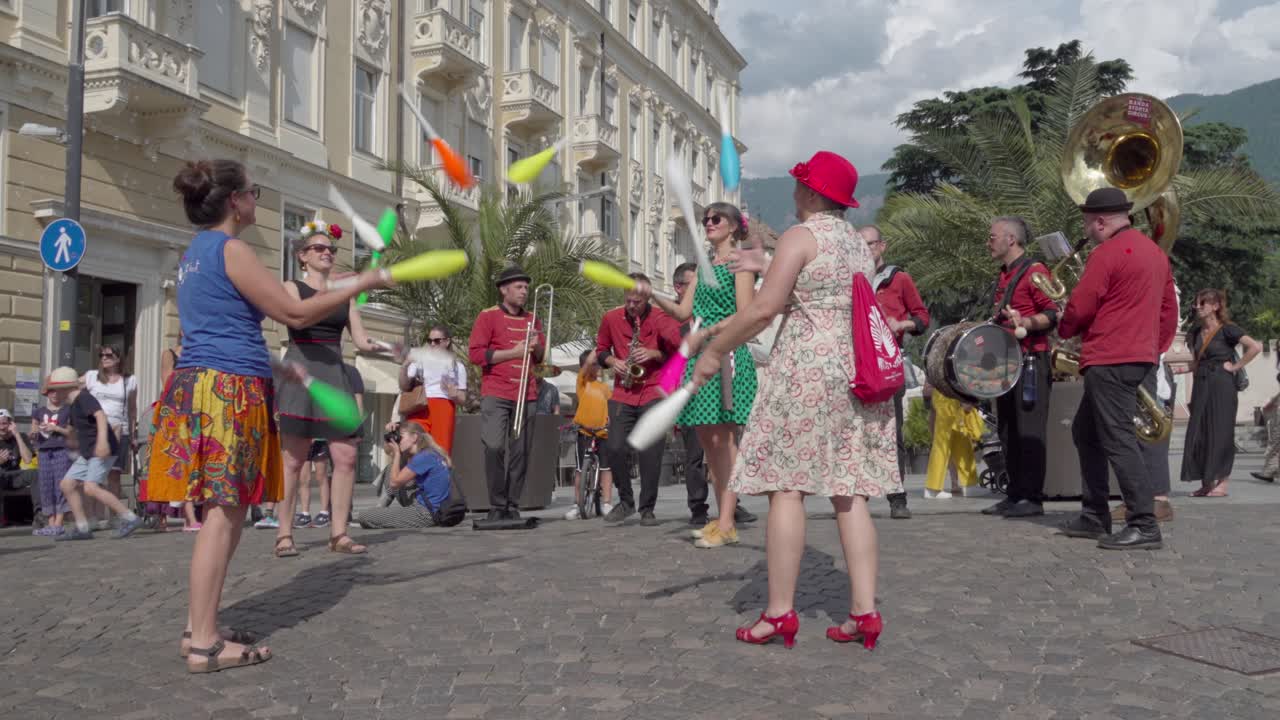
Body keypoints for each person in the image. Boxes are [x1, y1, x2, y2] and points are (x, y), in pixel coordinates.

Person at [151, 158, 388, 672]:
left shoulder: (196, 252)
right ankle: (205, 644)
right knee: (224, 512)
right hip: (227, 388)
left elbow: (224, 321)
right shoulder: (231, 249)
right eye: (253, 192)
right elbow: (295, 312)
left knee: (225, 510)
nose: (255, 200)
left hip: (203, 383)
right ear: (235, 201)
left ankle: (200, 625)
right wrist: (362, 281)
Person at [690, 150, 897, 648]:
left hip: (807, 369)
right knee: (850, 492)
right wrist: (765, 262)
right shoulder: (855, 243)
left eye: (800, 183)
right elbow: (818, 290)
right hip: (854, 370)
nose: (794, 190)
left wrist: (715, 350)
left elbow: (764, 308)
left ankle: (780, 612)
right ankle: (864, 611)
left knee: (786, 488)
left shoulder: (800, 236)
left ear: (810, 192)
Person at [1057, 187, 1178, 551]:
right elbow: (1168, 309)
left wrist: (1064, 327)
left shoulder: (1106, 253)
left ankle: (1144, 523)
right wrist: (1153, 348)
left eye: (1086, 223)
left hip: (1110, 357)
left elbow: (1081, 305)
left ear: (1100, 221)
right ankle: (1095, 515)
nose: (1086, 230)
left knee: (1118, 439)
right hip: (1138, 355)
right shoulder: (1155, 253)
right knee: (1086, 432)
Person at [273, 220, 393, 558]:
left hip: (334, 372)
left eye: (331, 249)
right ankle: (284, 533)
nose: (327, 253)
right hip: (302, 370)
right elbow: (298, 318)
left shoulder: (346, 294)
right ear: (302, 256)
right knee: (294, 460)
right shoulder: (291, 287)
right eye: (319, 248)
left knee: (346, 455)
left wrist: (391, 348)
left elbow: (360, 340)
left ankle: (338, 533)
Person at [648, 202, 759, 547]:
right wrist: (651, 293)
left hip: (726, 354)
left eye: (716, 218)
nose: (708, 223)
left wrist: (708, 332)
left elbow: (746, 313)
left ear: (733, 226)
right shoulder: (703, 267)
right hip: (701, 356)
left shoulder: (740, 263)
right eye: (706, 219)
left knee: (724, 441)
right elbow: (683, 311)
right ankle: (724, 519)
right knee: (708, 442)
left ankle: (726, 521)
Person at [981, 217, 1058, 517]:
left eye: (992, 237)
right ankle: (1015, 494)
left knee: (1029, 431)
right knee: (1008, 430)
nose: (988, 242)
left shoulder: (1035, 271)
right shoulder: (1004, 274)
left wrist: (1026, 321)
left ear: (1011, 239)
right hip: (1007, 362)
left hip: (1030, 361)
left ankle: (1032, 498)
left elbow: (1052, 313)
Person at [593, 285, 681, 526]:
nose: (631, 306)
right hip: (623, 392)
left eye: (637, 302)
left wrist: (654, 354)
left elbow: (676, 353)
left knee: (650, 452)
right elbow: (601, 350)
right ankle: (626, 501)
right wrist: (613, 361)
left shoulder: (661, 317)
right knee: (614, 447)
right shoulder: (611, 318)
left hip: (653, 390)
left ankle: (647, 509)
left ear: (647, 299)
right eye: (628, 301)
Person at [468, 265, 545, 521]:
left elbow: (540, 357)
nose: (524, 292)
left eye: (526, 288)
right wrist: (513, 352)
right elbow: (476, 354)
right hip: (496, 391)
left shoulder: (533, 319)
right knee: (493, 447)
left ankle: (512, 505)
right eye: (518, 287)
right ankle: (497, 504)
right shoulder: (487, 316)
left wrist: (536, 347)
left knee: (521, 452)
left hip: (526, 392)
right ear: (504, 290)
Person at [862, 225, 928, 520]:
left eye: (870, 244)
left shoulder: (899, 279)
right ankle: (857, 496)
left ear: (882, 246)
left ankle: (897, 497)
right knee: (858, 430)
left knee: (892, 429)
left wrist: (902, 325)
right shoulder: (853, 279)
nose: (866, 250)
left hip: (889, 363)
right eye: (861, 245)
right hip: (859, 363)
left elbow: (922, 317)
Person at [1181, 289, 1261, 497]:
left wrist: (1235, 367)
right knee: (1199, 431)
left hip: (1222, 384)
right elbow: (1196, 362)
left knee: (1221, 430)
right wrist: (1180, 369)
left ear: (1215, 306)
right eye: (1196, 303)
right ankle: (1207, 483)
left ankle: (1222, 482)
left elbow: (1255, 347)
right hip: (1201, 383)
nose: (1197, 307)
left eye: (1203, 303)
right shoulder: (1195, 332)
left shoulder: (1228, 330)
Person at [49, 367, 143, 541]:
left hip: (101, 450)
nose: (52, 394)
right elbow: (73, 430)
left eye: (54, 389)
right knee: (67, 485)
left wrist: (102, 442)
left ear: (65, 388)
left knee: (90, 487)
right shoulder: (73, 405)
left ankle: (130, 518)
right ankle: (82, 528)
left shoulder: (84, 398)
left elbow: (100, 416)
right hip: (88, 453)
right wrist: (66, 437)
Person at [671, 262, 710, 526]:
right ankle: (698, 507)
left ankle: (732, 505)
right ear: (679, 287)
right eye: (694, 283)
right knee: (694, 456)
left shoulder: (705, 310)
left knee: (722, 451)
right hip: (688, 393)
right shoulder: (671, 318)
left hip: (713, 387)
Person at [82, 344, 138, 528]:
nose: (104, 358)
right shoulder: (92, 376)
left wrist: (133, 434)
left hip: (119, 430)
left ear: (118, 358)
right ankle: (91, 517)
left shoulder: (130, 380)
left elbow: (132, 409)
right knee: (91, 475)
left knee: (114, 475)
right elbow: (71, 388)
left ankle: (114, 517)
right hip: (94, 432)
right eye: (101, 355)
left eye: (108, 355)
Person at [358, 423, 453, 529]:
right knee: (391, 468)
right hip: (434, 508)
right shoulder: (429, 453)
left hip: (425, 513)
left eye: (401, 437)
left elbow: (394, 483)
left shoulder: (423, 457)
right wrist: (390, 434)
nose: (398, 441)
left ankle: (380, 514)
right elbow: (388, 451)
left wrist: (397, 454)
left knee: (364, 516)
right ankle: (380, 511)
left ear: (414, 437)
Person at [400, 325, 467, 454]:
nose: (432, 344)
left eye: (436, 341)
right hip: (420, 405)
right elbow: (404, 386)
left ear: (447, 342)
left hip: (443, 406)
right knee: (413, 447)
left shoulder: (458, 367)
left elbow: (463, 398)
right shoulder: (420, 361)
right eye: (429, 340)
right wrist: (405, 365)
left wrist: (455, 394)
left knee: (440, 450)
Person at [565, 349, 614, 519]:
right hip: (584, 431)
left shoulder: (604, 387)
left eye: (599, 364)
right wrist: (598, 349)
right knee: (580, 470)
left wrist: (610, 418)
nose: (598, 367)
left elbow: (610, 406)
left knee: (606, 467)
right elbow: (586, 365)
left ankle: (607, 503)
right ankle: (577, 504)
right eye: (595, 364)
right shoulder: (582, 382)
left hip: (602, 432)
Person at [30, 372, 75, 537]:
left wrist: (55, 428)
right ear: (46, 393)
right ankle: (51, 523)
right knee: (45, 486)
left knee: (60, 486)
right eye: (51, 391)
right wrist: (34, 433)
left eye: (57, 390)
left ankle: (59, 523)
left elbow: (71, 432)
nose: (54, 394)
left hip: (62, 450)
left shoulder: (68, 410)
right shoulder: (39, 411)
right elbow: (33, 430)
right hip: (43, 451)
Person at [923, 390, 984, 498]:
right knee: (943, 444)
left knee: (961, 441)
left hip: (950, 396)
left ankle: (969, 485)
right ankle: (933, 488)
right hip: (948, 396)